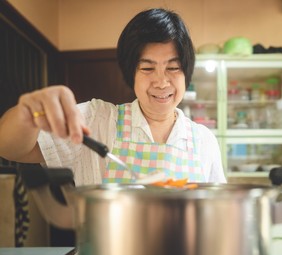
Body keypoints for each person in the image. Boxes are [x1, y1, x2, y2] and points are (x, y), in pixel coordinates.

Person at [0, 8, 226, 186]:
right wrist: (28, 113)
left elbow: (217, 214)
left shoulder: (204, 141)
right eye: (147, 69)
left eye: (173, 68)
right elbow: (10, 148)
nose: (161, 81)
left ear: (187, 72)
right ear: (131, 74)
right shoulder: (96, 120)